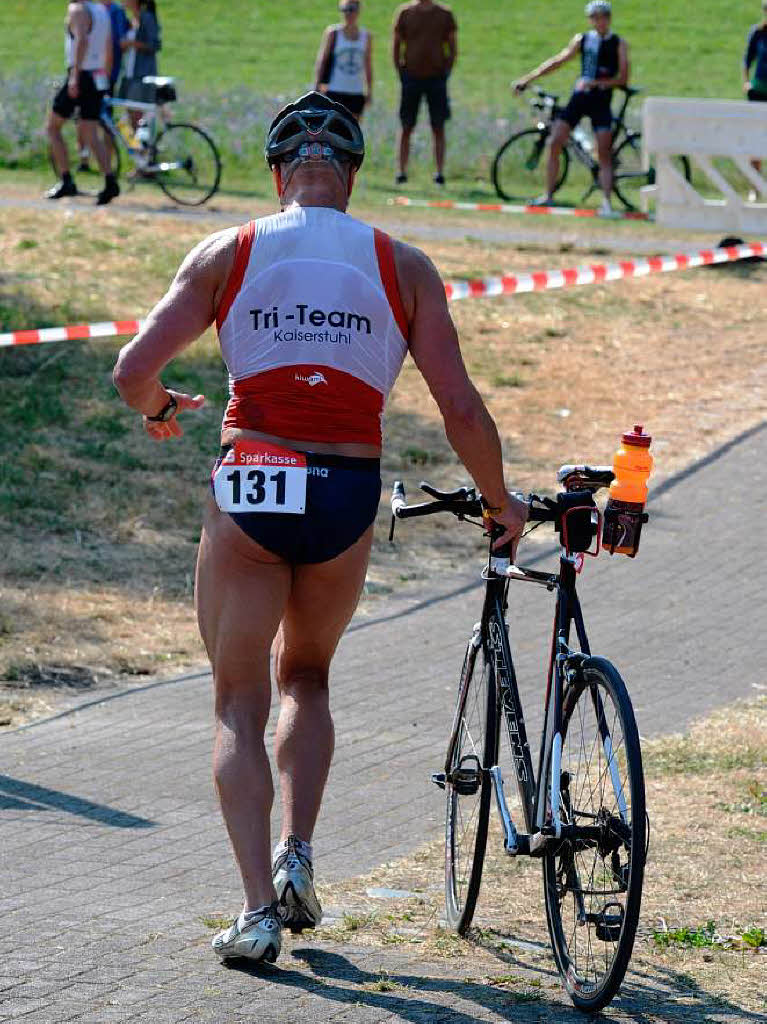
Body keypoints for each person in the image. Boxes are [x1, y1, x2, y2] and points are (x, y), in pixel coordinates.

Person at [112, 91, 528, 965]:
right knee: (307, 676)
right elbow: (457, 404)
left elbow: (131, 369)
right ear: (351, 175)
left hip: (254, 475)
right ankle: (300, 853)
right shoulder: (402, 262)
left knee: (237, 699)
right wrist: (499, 501)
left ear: (276, 175)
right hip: (346, 484)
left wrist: (158, 407)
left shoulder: (230, 248)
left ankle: (258, 911)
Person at [513, 0, 629, 215]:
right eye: (595, 17)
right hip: (580, 97)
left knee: (604, 151)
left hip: (601, 99)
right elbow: (559, 60)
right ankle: (548, 195)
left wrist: (600, 83)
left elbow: (623, 77)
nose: (599, 21)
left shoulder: (618, 43)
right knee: (556, 140)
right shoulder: (583, 40)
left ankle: (606, 202)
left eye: (603, 17)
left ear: (609, 19)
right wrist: (529, 78)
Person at [46, 0, 120, 205]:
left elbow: (81, 41)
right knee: (91, 132)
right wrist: (105, 74)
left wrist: (74, 77)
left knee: (52, 128)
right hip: (97, 75)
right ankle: (110, 180)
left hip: (80, 75)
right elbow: (108, 46)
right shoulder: (101, 10)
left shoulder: (77, 9)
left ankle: (66, 179)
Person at [392, 0, 457, 186]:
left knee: (438, 126)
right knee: (406, 126)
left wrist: (446, 71)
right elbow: (397, 44)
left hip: (436, 78)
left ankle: (439, 172)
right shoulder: (405, 12)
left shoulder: (444, 14)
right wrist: (400, 71)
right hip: (411, 77)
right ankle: (401, 171)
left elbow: (452, 46)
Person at [77, 1, 129, 172]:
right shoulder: (95, 9)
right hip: (95, 73)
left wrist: (106, 75)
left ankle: (107, 163)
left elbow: (114, 44)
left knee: (104, 119)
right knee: (86, 117)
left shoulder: (114, 11)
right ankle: (84, 159)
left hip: (104, 75)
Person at [314, 0, 373, 120]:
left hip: (356, 91)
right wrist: (317, 85)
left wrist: (369, 90)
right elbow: (322, 60)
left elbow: (368, 65)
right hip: (334, 89)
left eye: (351, 10)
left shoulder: (366, 36)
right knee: (332, 129)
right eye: (344, 10)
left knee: (353, 131)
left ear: (358, 12)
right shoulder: (333, 33)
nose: (348, 14)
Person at [120, 0, 162, 127]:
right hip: (129, 72)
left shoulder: (147, 17)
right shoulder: (132, 20)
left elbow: (154, 44)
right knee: (130, 114)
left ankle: (142, 145)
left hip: (142, 74)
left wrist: (132, 44)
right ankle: (136, 145)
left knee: (137, 116)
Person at [743, 0, 767, 187]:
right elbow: (747, 60)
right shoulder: (758, 33)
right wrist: (746, 82)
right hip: (758, 91)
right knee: (756, 137)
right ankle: (755, 185)